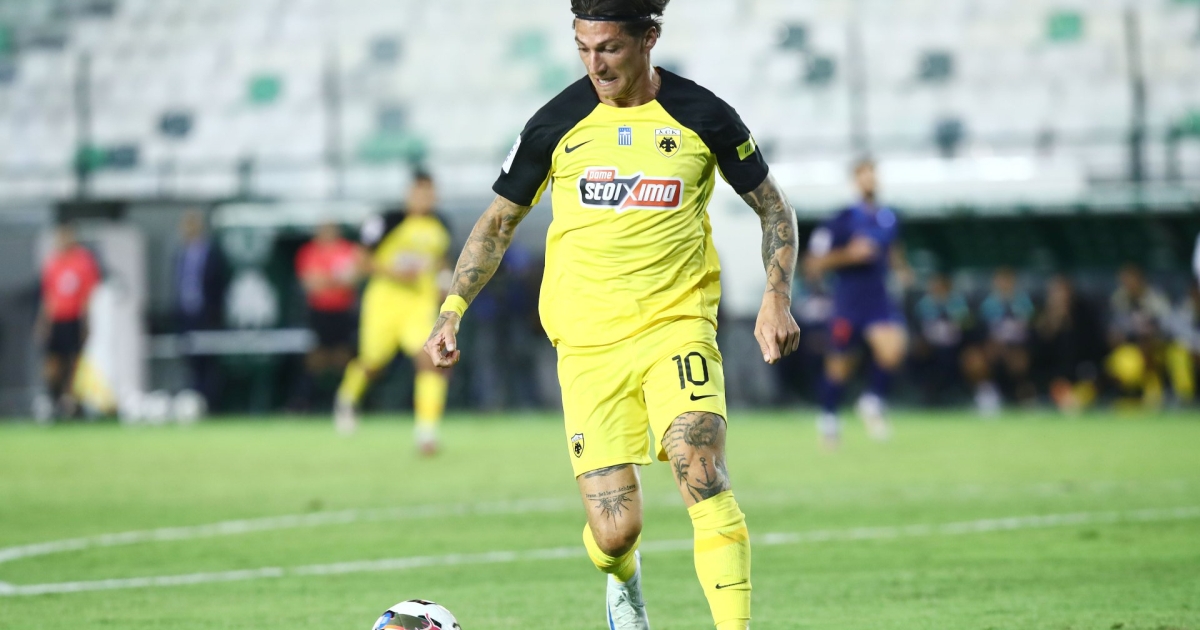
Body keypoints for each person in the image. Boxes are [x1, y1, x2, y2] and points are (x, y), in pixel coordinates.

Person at [422, 2, 800, 628]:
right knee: (615, 531)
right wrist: (451, 310)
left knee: (704, 472)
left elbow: (774, 208)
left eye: (609, 49)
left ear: (649, 38)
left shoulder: (703, 115)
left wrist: (776, 296)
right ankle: (623, 580)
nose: (594, 65)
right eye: (583, 48)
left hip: (677, 325)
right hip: (588, 343)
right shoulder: (556, 123)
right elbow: (498, 223)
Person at [335, 172, 452, 453]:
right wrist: (395, 273)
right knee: (373, 363)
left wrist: (445, 284)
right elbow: (361, 260)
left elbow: (442, 262)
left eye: (429, 193)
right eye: (419, 192)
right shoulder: (387, 220)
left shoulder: (440, 225)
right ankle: (347, 398)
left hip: (419, 304)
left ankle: (426, 432)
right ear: (409, 194)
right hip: (384, 302)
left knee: (430, 360)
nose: (425, 198)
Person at [804, 158, 908, 445]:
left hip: (878, 298)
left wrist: (902, 270)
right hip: (848, 301)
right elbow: (813, 262)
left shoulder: (888, 217)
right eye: (864, 175)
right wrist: (848, 255)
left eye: (873, 174)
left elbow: (893, 250)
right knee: (839, 366)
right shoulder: (840, 219)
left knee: (893, 350)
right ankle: (829, 419)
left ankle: (872, 401)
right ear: (855, 180)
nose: (870, 180)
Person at [36, 223, 101, 419]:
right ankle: (54, 400)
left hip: (74, 319)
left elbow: (88, 296)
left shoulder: (83, 261)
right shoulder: (53, 262)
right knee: (53, 363)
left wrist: (86, 322)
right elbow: (48, 296)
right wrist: (43, 323)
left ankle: (73, 403)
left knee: (74, 363)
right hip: (57, 320)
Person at [294, 221, 361, 409]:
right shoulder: (309, 251)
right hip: (318, 312)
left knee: (344, 356)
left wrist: (326, 280)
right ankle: (306, 401)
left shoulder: (347, 249)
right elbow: (310, 283)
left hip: (343, 311)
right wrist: (336, 279)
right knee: (317, 357)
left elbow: (352, 280)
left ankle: (346, 399)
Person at [174, 210, 229, 410]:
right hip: (186, 316)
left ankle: (211, 404)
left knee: (209, 362)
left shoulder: (213, 253)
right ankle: (194, 402)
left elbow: (220, 285)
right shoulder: (180, 254)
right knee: (191, 363)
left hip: (207, 317)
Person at [1032, 275, 1104, 414]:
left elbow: (1092, 354)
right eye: (1056, 293)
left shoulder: (1084, 318)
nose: (1060, 297)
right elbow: (1038, 361)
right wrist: (1050, 330)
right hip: (1052, 382)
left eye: (1063, 292)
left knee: (1084, 392)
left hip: (1080, 380)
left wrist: (1068, 327)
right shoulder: (1041, 322)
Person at [1106, 265, 1176, 408]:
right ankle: (1127, 396)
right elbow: (1115, 331)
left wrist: (1151, 338)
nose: (1128, 285)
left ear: (1140, 280)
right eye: (1124, 282)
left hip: (1159, 348)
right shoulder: (1119, 299)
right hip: (1132, 348)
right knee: (1117, 362)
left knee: (1154, 352)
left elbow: (1168, 327)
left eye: (1131, 280)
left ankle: (1159, 394)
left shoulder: (1155, 298)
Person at [975, 267, 1036, 412]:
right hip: (993, 347)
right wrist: (990, 344)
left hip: (1019, 347)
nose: (1004, 284)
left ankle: (1025, 394)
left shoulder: (1025, 303)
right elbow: (978, 332)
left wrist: (1016, 346)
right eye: (1000, 281)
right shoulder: (987, 305)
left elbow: (1032, 331)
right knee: (975, 360)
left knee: (1019, 359)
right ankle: (987, 392)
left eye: (1007, 281)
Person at [909, 273, 974, 406]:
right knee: (916, 354)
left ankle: (953, 392)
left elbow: (967, 326)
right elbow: (915, 327)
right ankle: (925, 392)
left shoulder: (958, 303)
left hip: (955, 346)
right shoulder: (923, 305)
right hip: (929, 346)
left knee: (957, 358)